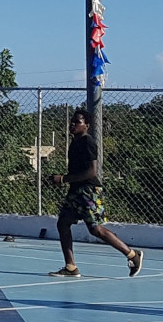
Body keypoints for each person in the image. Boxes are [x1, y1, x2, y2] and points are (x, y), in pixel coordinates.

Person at [48, 109, 143, 278]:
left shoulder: (87, 142)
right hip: (76, 190)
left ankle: (132, 255)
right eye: (72, 121)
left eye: (78, 122)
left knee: (96, 230)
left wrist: (63, 179)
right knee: (63, 223)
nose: (73, 125)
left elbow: (92, 172)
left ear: (87, 126)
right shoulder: (75, 142)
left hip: (88, 190)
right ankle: (70, 267)